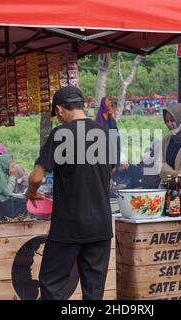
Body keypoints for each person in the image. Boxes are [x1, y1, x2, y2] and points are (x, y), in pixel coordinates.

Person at [26, 86, 113, 300]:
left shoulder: (61, 134)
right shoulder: (103, 132)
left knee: (51, 281)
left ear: (60, 109)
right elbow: (108, 171)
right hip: (101, 223)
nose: (58, 119)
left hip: (69, 224)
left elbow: (37, 177)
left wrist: (31, 192)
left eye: (57, 115)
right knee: (94, 291)